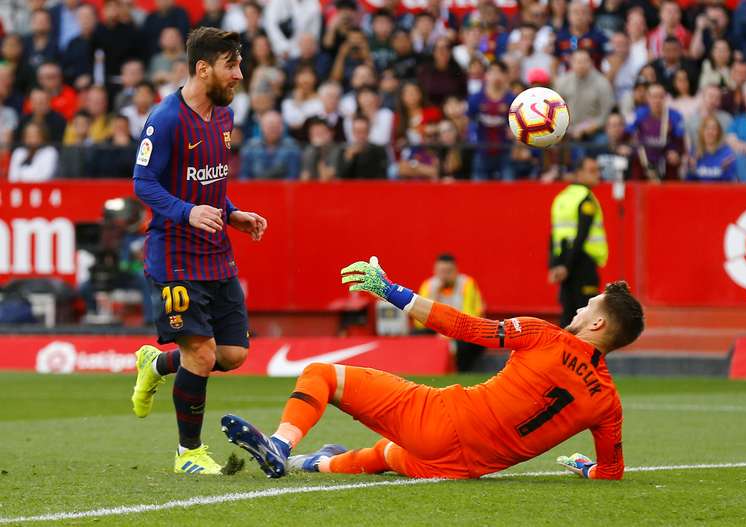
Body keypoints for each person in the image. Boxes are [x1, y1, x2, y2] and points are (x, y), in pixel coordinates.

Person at [220, 256, 644, 481]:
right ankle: (309, 464)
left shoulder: (545, 335)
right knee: (383, 455)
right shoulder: (607, 402)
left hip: (442, 420)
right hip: (462, 469)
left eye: (587, 307)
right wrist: (586, 466)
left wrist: (390, 290)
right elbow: (612, 471)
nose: (578, 308)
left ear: (598, 324)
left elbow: (465, 326)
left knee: (322, 374)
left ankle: (280, 445)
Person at [131, 27, 268, 476]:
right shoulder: (165, 119)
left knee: (232, 355)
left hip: (215, 251)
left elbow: (209, 183)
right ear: (203, 67)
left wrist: (231, 213)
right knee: (202, 354)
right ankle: (188, 452)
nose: (240, 74)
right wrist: (187, 213)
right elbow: (144, 183)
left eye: (240, 64)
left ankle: (157, 362)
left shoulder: (224, 119)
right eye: (232, 65)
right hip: (173, 257)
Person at [548, 157, 608, 328]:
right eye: (592, 171)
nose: (598, 175)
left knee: (568, 314)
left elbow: (554, 235)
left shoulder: (562, 198)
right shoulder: (586, 199)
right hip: (583, 263)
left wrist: (555, 264)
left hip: (564, 263)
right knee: (588, 315)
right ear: (579, 174)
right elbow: (581, 235)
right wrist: (566, 266)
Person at [414, 253, 485, 372]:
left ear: (456, 271)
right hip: (435, 329)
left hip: (461, 330)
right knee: (416, 336)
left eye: (448, 271)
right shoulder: (429, 286)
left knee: (469, 343)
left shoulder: (467, 284)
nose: (444, 276)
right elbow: (419, 322)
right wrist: (434, 295)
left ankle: (462, 372)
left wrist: (448, 333)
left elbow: (470, 317)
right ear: (435, 271)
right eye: (441, 271)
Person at [627, 83, 685, 181]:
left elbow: (680, 141)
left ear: (666, 98)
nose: (657, 101)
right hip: (643, 158)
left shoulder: (675, 116)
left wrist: (676, 152)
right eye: (654, 97)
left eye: (661, 97)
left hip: (665, 158)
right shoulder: (638, 113)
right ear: (648, 98)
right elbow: (626, 133)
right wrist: (626, 147)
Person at [240, 110, 302, 179]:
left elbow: (293, 177)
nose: (273, 130)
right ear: (261, 127)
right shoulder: (250, 147)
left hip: (283, 188)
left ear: (283, 128)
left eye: (276, 126)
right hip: (254, 188)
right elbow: (244, 176)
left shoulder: (292, 147)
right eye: (270, 126)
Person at [335, 114, 389, 179]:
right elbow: (341, 177)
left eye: (364, 131)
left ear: (369, 131)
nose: (360, 136)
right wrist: (348, 159)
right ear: (353, 132)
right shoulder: (343, 150)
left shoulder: (379, 150)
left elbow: (382, 176)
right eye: (357, 131)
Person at [687, 115, 737, 182]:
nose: (710, 132)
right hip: (699, 191)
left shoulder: (727, 153)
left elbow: (730, 183)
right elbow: (688, 183)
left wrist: (725, 172)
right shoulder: (694, 152)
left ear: (718, 132)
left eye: (714, 129)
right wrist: (691, 170)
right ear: (701, 132)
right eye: (707, 128)